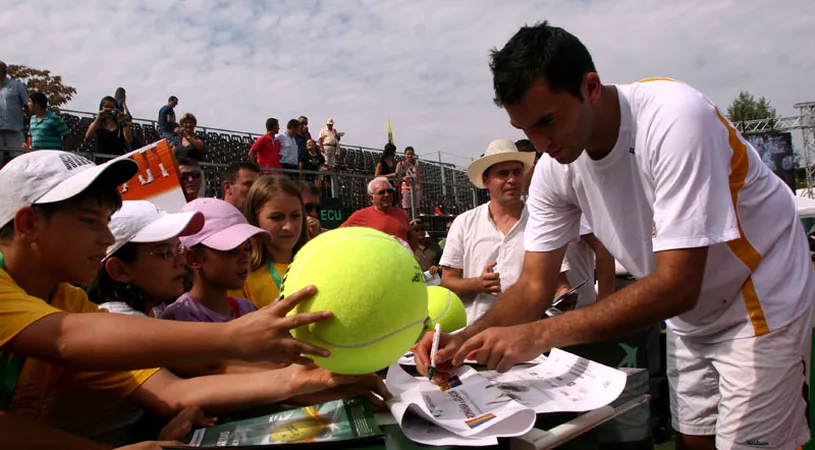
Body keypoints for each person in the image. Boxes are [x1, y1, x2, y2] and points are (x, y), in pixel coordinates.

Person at [414, 22, 815, 450]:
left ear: (589, 87)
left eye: (547, 121)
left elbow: (678, 285)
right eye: (526, 128)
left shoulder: (674, 117)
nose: (540, 142)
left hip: (757, 297)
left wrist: (539, 335)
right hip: (692, 313)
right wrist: (462, 342)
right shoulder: (553, 168)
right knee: (692, 439)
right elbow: (534, 285)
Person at [0, 151, 389, 442]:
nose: (105, 239)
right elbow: (64, 338)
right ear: (29, 224)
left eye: (106, 222)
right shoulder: (61, 314)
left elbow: (173, 391)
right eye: (89, 221)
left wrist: (308, 379)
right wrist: (233, 338)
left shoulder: (69, 300)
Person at [439, 139, 571, 324]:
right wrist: (478, 284)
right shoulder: (464, 223)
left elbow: (560, 282)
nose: (512, 179)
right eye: (503, 174)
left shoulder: (542, 222)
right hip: (476, 333)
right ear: (486, 181)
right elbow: (447, 282)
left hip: (528, 337)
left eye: (517, 172)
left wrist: (564, 295)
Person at [88, 200, 205, 317]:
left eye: (179, 248)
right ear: (119, 269)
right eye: (164, 253)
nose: (182, 261)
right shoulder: (122, 325)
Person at [161, 198, 265, 322]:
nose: (244, 258)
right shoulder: (178, 318)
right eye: (231, 249)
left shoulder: (248, 308)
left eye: (248, 248)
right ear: (193, 259)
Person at [229, 175, 307, 308]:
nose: (288, 226)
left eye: (295, 216)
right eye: (276, 217)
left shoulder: (315, 264)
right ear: (255, 219)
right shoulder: (242, 276)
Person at [341, 176, 415, 249]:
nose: (387, 194)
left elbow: (411, 236)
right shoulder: (360, 215)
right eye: (381, 192)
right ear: (371, 198)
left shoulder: (401, 213)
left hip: (402, 260)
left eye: (389, 191)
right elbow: (338, 233)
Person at [0, 60, 28, 164]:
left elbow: (27, 105)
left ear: (3, 72)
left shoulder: (16, 85)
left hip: (14, 128)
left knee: (18, 159)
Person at [396, 146, 421, 213]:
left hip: (416, 189)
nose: (409, 155)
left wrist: (421, 190)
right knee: (406, 209)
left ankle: (415, 223)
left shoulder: (416, 165)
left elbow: (418, 179)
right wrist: (405, 177)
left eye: (411, 154)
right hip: (405, 188)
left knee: (416, 210)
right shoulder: (400, 164)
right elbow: (397, 176)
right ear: (405, 155)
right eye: (408, 154)